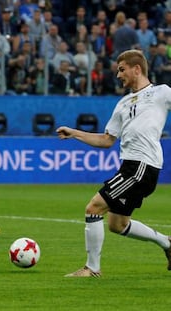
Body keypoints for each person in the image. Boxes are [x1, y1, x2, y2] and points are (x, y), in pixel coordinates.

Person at [56, 49, 171, 277]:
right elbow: (106, 140)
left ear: (136, 69)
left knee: (93, 208)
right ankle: (167, 243)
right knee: (117, 224)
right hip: (129, 167)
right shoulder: (123, 103)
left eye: (121, 70)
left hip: (141, 166)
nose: (118, 75)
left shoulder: (161, 93)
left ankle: (92, 268)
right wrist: (75, 133)